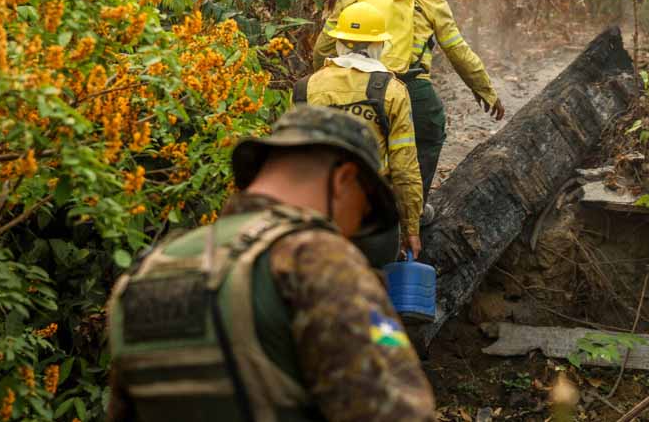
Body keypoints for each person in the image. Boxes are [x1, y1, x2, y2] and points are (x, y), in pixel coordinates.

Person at [105, 106, 436, 422]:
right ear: (343, 180)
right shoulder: (315, 258)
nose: (353, 233)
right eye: (363, 212)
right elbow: (398, 410)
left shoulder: (149, 270)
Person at [313, 0, 505, 224]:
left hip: (352, 81)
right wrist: (484, 89)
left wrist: (325, 81)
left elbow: (322, 49)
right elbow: (457, 50)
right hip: (410, 84)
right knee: (431, 129)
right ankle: (414, 210)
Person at [295, 1, 423, 262]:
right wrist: (411, 228)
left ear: (339, 43)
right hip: (372, 222)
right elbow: (404, 168)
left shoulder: (305, 88)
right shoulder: (392, 91)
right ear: (379, 46)